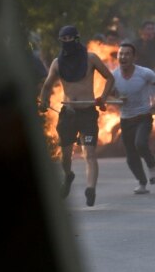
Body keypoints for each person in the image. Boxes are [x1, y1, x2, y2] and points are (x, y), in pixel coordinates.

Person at [39, 25, 115, 206]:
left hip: (88, 113)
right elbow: (48, 85)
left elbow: (110, 78)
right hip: (68, 114)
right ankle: (68, 175)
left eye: (70, 39)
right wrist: (44, 101)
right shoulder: (57, 63)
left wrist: (103, 98)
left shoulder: (91, 59)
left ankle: (91, 188)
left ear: (77, 39)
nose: (67, 42)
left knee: (89, 153)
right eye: (63, 40)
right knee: (65, 156)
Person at [111, 43, 155, 194]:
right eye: (121, 54)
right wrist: (115, 99)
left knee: (140, 143)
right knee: (130, 156)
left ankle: (152, 165)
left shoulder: (144, 73)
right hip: (126, 119)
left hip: (143, 116)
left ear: (134, 57)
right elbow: (109, 94)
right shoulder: (113, 76)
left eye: (127, 54)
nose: (123, 57)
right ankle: (142, 182)